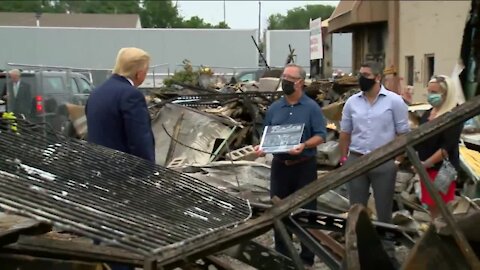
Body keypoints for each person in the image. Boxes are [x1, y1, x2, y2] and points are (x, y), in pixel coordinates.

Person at [255, 64, 327, 268]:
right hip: (280, 167)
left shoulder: (311, 107)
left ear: (300, 82)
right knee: (278, 210)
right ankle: (283, 256)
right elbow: (266, 136)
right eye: (283, 76)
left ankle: (306, 258)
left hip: (304, 166)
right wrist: (262, 148)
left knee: (307, 212)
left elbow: (321, 135)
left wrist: (304, 144)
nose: (284, 80)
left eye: (289, 77)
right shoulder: (275, 108)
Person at [338, 62, 409, 265]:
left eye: (366, 75)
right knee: (356, 210)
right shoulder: (352, 102)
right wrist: (345, 159)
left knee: (383, 210)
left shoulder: (394, 101)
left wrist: (397, 160)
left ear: (377, 77)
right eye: (360, 74)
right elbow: (345, 133)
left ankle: (388, 255)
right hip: (357, 159)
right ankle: (356, 253)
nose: (362, 78)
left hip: (383, 160)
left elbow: (403, 133)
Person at [86, 47, 155, 163]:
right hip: (122, 172)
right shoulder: (132, 95)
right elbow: (139, 140)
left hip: (96, 167)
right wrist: (148, 172)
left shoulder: (96, 93)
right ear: (139, 74)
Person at [415, 75, 462, 218]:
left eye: (434, 92)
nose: (430, 95)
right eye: (429, 91)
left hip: (444, 169)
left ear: (446, 94)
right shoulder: (428, 113)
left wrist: (426, 163)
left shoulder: (453, 115)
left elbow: (447, 147)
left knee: (442, 206)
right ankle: (434, 231)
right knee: (431, 205)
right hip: (426, 169)